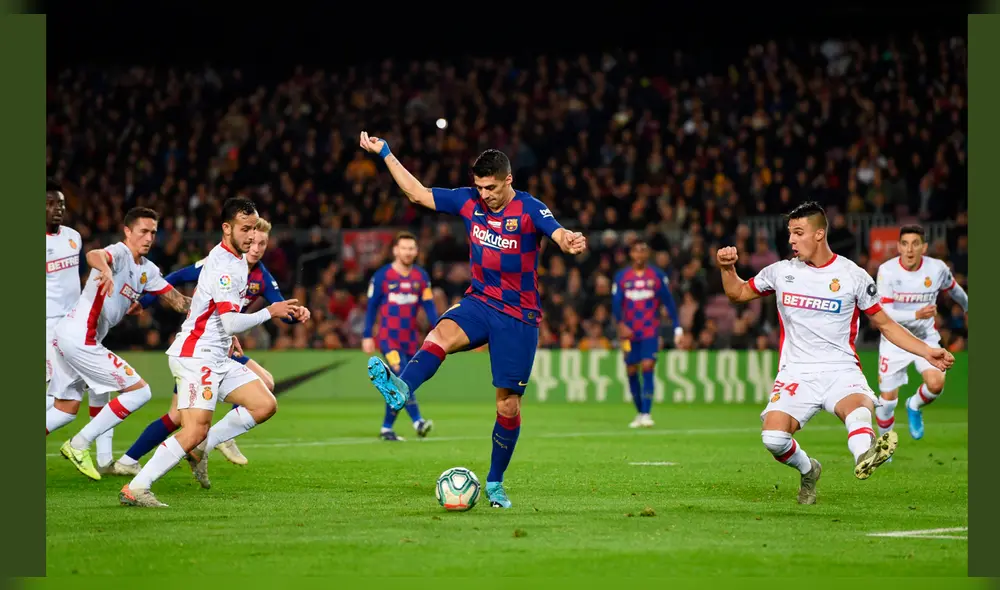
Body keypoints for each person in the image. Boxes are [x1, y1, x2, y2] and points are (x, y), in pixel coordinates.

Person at [358, 132, 586, 508]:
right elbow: (418, 193)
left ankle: (495, 481)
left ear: (508, 180)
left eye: (492, 187)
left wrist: (568, 240)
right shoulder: (468, 202)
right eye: (480, 187)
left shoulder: (529, 209)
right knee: (440, 332)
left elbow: (556, 232)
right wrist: (385, 153)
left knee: (507, 406)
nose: (485, 194)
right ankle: (401, 389)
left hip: (519, 316)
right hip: (480, 301)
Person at [716, 201, 954, 504]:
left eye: (798, 233)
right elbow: (737, 293)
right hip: (796, 372)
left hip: (840, 368)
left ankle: (865, 455)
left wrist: (927, 352)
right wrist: (727, 268)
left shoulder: (852, 275)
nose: (791, 240)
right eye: (790, 233)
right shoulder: (780, 272)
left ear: (819, 234)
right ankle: (809, 469)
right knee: (773, 439)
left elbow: (885, 324)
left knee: (856, 409)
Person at [119, 197, 304, 508]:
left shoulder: (237, 261)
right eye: (245, 229)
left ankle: (204, 445)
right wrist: (269, 312)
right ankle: (137, 486)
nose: (250, 236)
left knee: (264, 404)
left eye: (254, 229)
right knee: (191, 429)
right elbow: (231, 321)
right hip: (196, 356)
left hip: (217, 355)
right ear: (226, 228)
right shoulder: (223, 267)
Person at [47, 207, 190, 480]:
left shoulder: (147, 270)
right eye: (143, 232)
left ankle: (103, 461)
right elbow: (94, 255)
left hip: (71, 337)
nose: (148, 238)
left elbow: (178, 301)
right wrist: (105, 270)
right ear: (127, 232)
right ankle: (78, 444)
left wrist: (214, 309)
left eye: (153, 233)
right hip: (80, 339)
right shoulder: (120, 254)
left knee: (67, 408)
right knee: (140, 392)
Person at [874, 224, 968, 441]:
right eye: (905, 244)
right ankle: (884, 447)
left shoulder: (936, 269)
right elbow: (884, 313)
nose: (909, 249)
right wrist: (916, 314)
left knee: (936, 384)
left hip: (925, 337)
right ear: (898, 246)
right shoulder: (887, 271)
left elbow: (953, 288)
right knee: (887, 401)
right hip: (894, 340)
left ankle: (914, 405)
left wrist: (967, 306)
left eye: (915, 244)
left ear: (923, 247)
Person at [362, 231, 437, 441]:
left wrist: (439, 328)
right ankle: (418, 421)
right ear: (395, 250)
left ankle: (387, 428)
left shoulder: (421, 277)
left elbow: (429, 307)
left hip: (411, 340)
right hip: (388, 338)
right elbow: (371, 307)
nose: (407, 252)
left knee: (399, 381)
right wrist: (367, 334)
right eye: (403, 248)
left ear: (416, 251)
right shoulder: (382, 276)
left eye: (411, 248)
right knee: (401, 374)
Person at [611, 238, 682, 428]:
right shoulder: (622, 277)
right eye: (636, 251)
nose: (639, 254)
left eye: (643, 250)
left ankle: (646, 413)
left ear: (647, 253)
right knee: (631, 369)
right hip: (629, 333)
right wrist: (620, 325)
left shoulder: (657, 276)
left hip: (650, 330)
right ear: (631, 254)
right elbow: (616, 305)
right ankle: (640, 412)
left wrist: (677, 326)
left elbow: (669, 302)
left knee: (648, 365)